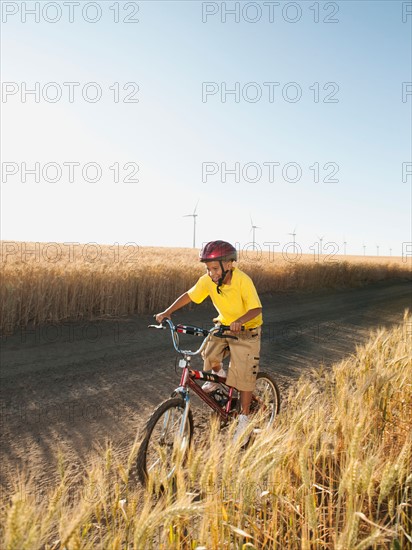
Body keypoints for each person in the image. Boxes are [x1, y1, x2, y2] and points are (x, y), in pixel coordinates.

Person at [155, 240, 263, 443]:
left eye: (214, 268)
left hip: (247, 331)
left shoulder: (242, 280)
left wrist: (240, 321)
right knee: (209, 353)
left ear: (229, 264)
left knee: (243, 377)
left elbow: (256, 308)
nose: (211, 273)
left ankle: (244, 419)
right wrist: (167, 312)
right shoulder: (208, 280)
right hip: (223, 327)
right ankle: (218, 375)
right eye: (208, 268)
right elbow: (189, 295)